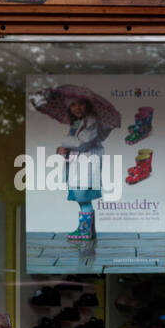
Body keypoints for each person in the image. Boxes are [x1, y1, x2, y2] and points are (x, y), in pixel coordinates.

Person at [57, 98, 109, 242]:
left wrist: (64, 144)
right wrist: (63, 149)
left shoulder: (92, 122)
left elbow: (83, 142)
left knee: (83, 198)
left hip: (86, 166)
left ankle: (84, 230)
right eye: (72, 104)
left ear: (88, 105)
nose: (77, 107)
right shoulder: (76, 123)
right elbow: (74, 142)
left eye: (81, 103)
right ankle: (89, 230)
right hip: (77, 165)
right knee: (82, 199)